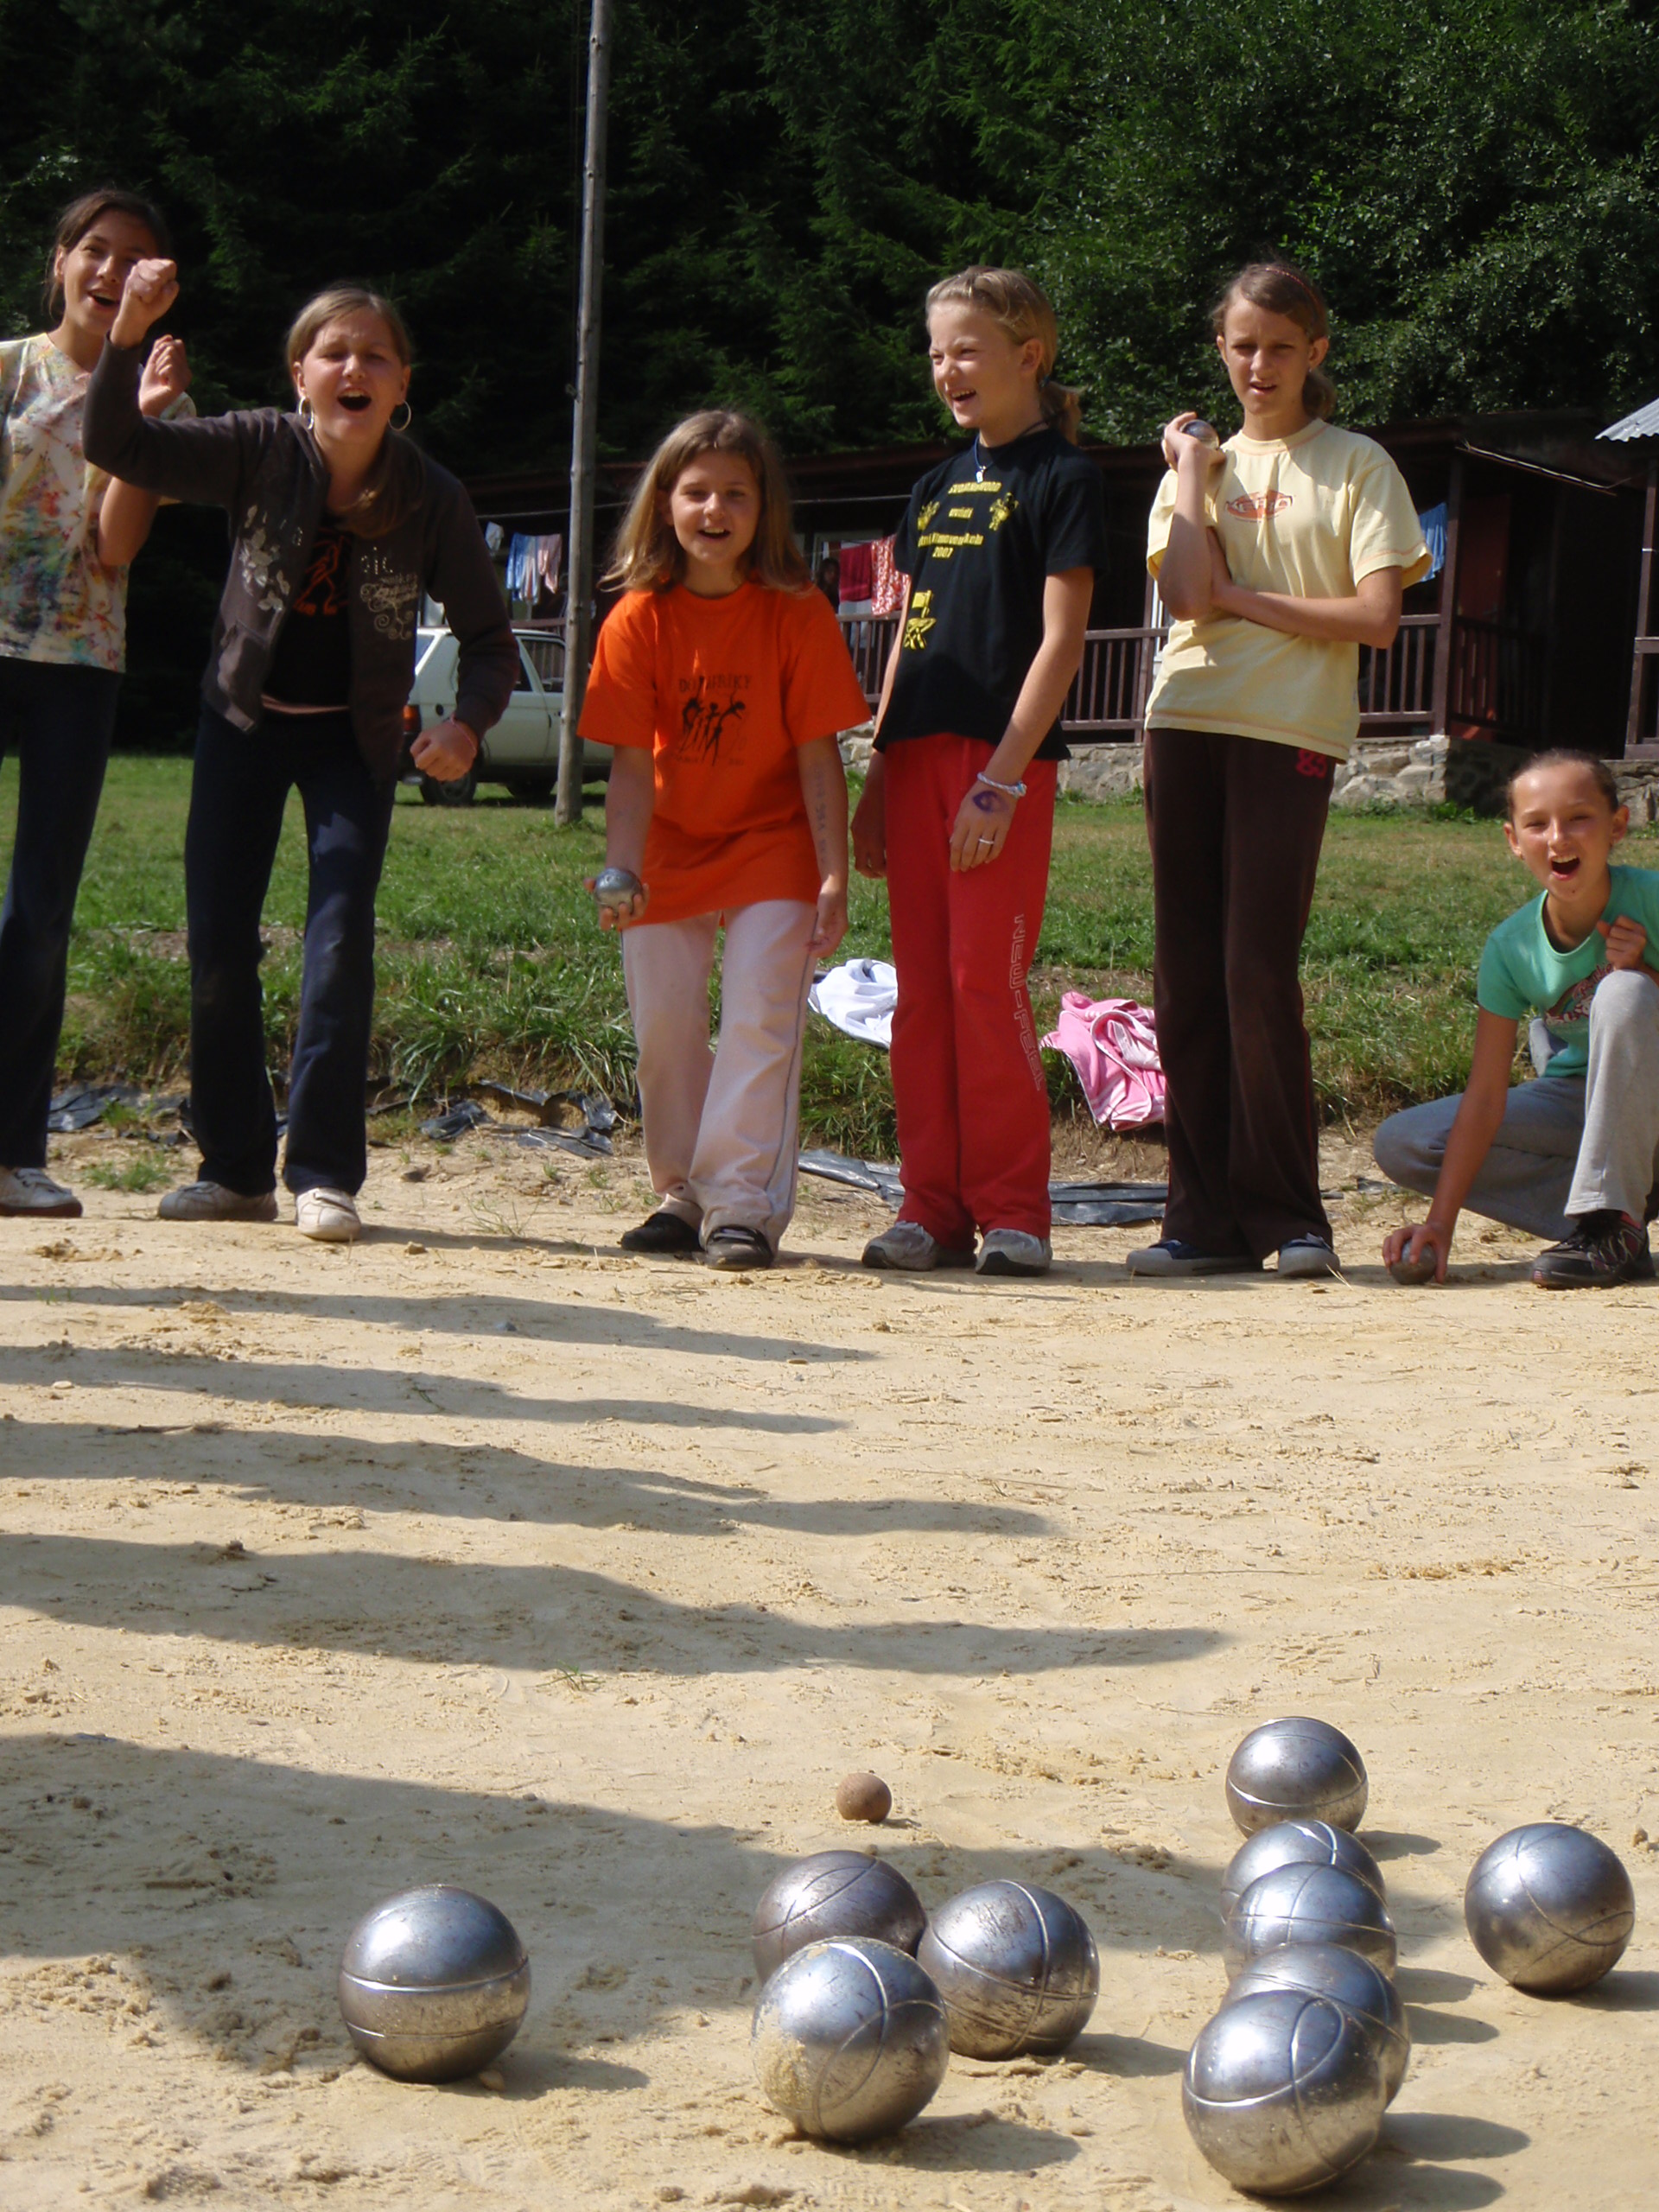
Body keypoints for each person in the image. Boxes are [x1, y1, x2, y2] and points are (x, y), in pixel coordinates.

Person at [84, 264, 515, 1243]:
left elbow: (490, 640)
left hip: (352, 743)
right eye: (335, 353)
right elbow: (116, 444)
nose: (354, 369)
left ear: (402, 386)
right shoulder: (255, 447)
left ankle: (323, 1172)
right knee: (217, 943)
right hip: (240, 723)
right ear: (300, 375)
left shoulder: (431, 496)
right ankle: (235, 1170)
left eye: (376, 356)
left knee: (339, 940)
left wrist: (466, 725)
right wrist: (126, 336)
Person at [1126, 261, 1428, 1281]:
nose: (1261, 365)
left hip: (1289, 726)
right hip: (1185, 718)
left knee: (1255, 969)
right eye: (1244, 346)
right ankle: (1200, 1217)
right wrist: (1191, 475)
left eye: (1282, 348)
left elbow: (1375, 616)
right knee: (1185, 975)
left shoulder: (1356, 463)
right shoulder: (1195, 471)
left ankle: (1290, 1215)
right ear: (1222, 349)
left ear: (1316, 353)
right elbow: (1184, 593)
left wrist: (1242, 599)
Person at [851, 265, 1106, 1277]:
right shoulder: (930, 488)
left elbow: (1062, 642)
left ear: (1027, 355)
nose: (947, 370)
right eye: (935, 354)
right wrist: (877, 775)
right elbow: (906, 640)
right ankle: (929, 1208)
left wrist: (1001, 780)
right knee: (919, 995)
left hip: (999, 767)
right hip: (913, 759)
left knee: (981, 987)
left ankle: (1013, 1212)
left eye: (966, 350)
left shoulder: (1064, 477)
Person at [579, 411, 868, 1270]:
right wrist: (619, 869)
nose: (715, 510)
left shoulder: (797, 611)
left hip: (774, 846)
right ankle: (681, 1193)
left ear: (763, 508)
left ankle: (740, 1204)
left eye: (736, 493)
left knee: (757, 1019)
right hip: (669, 848)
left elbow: (819, 757)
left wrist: (833, 874)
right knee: (665, 1027)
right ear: (664, 504)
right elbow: (631, 767)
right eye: (697, 492)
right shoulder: (637, 618)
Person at [0, 187, 191, 1219]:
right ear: (61, 261)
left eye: (136, 258)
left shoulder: (166, 399)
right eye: (96, 250)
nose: (113, 271)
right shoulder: (9, 368)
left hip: (81, 662)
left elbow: (115, 547)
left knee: (40, 914)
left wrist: (141, 418)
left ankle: (11, 1154)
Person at [1377, 751, 1659, 1289]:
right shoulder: (1511, 946)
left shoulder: (1651, 898)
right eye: (1536, 824)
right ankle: (1615, 1225)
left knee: (1625, 990)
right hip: (1580, 1101)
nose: (1558, 838)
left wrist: (1645, 973)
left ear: (1617, 826)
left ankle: (1610, 1216)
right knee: (1407, 1140)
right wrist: (1440, 1223)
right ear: (1513, 840)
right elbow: (1486, 1096)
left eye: (1579, 818)